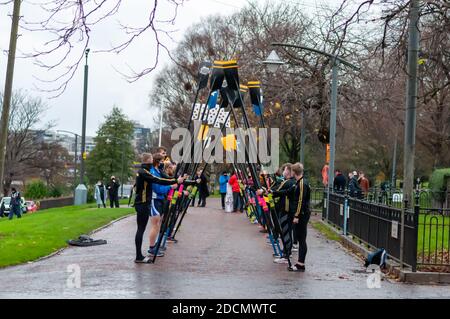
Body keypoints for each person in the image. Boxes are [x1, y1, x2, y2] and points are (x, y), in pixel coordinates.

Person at [133, 153, 186, 263]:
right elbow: (158, 180)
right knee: (141, 230)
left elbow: (163, 178)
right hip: (142, 204)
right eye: (152, 159)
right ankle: (139, 256)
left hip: (144, 203)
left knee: (142, 229)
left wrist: (176, 180)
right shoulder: (144, 172)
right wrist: (175, 181)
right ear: (148, 160)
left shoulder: (145, 171)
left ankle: (140, 255)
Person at [259, 163, 311, 272]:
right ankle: (300, 263)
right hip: (298, 214)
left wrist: (296, 215)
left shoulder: (302, 183)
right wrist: (272, 192)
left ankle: (301, 263)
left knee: (302, 240)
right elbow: (286, 192)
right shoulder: (297, 183)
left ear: (293, 172)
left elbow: (300, 201)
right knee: (300, 238)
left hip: (301, 215)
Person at [148, 153, 178, 257]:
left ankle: (155, 244)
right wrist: (170, 187)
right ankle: (151, 248)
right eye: (161, 161)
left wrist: (175, 181)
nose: (162, 163)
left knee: (158, 224)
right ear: (157, 161)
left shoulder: (158, 171)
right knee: (155, 225)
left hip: (160, 199)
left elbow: (166, 180)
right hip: (154, 199)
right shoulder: (153, 172)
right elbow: (158, 189)